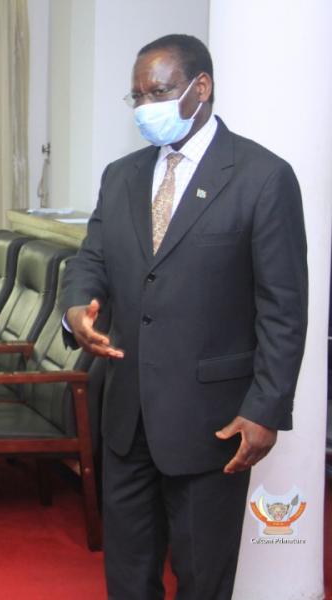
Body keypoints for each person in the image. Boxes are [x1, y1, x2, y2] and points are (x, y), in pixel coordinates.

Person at [62, 34, 307, 599]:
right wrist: (77, 309)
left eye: (159, 91)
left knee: (203, 578)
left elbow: (283, 308)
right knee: (128, 575)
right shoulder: (121, 176)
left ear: (202, 88)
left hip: (212, 425)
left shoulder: (262, 178)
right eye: (137, 96)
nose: (146, 106)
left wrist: (266, 408)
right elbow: (89, 261)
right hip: (126, 416)